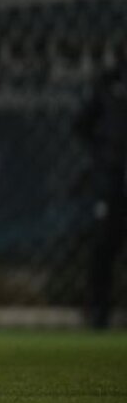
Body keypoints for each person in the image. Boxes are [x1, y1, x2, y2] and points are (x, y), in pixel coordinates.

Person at [74, 50, 127, 329]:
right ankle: (98, 313)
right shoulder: (109, 82)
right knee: (104, 245)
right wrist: (104, 154)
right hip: (113, 177)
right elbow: (81, 123)